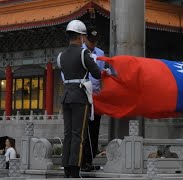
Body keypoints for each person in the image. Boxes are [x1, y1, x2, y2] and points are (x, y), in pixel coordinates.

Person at [57, 20, 101, 178]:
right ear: (81, 37)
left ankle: (66, 168)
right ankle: (75, 169)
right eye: (83, 36)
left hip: (66, 96)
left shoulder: (61, 55)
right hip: (79, 97)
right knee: (78, 134)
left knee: (67, 134)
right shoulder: (84, 53)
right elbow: (96, 73)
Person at [81, 26, 105, 172]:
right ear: (84, 38)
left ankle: (90, 160)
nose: (93, 44)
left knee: (95, 130)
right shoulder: (80, 52)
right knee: (84, 131)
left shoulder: (100, 53)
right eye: (91, 41)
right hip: (83, 94)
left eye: (95, 41)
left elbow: (100, 74)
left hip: (96, 96)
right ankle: (82, 161)